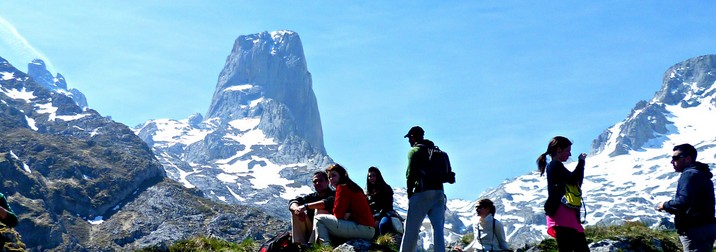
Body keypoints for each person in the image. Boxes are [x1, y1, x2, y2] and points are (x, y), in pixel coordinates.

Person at [657, 144, 716, 251]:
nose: (672, 162)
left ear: (687, 159)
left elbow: (683, 202)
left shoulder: (689, 175)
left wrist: (665, 205)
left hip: (694, 230)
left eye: (675, 158)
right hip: (706, 228)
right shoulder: (702, 174)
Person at [536, 136, 589, 252]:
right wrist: (581, 162)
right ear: (559, 150)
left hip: (564, 216)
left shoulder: (555, 166)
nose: (569, 155)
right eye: (568, 151)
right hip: (563, 215)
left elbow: (575, 181)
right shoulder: (555, 165)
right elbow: (575, 180)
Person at [400, 126, 447, 252]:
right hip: (439, 193)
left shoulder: (414, 151)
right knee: (438, 230)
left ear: (413, 137)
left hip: (421, 193)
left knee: (411, 229)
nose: (409, 141)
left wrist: (410, 194)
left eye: (409, 138)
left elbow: (410, 175)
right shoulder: (436, 151)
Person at [311, 164, 376, 244]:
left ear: (341, 175)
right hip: (368, 229)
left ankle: (325, 247)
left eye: (334, 175)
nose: (331, 179)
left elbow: (338, 214)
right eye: (329, 177)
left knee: (319, 218)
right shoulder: (352, 186)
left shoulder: (342, 187)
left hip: (362, 228)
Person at [288, 171, 335, 245]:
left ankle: (313, 244)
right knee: (296, 212)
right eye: (315, 181)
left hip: (330, 230)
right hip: (312, 229)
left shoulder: (334, 195)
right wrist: (297, 209)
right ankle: (300, 244)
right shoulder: (312, 197)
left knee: (320, 211)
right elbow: (293, 202)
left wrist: (305, 206)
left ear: (327, 182)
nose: (317, 183)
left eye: (320, 180)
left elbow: (325, 203)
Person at [366, 166, 399, 236]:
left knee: (383, 225)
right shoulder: (368, 193)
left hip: (386, 214)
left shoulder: (386, 189)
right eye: (369, 176)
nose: (371, 178)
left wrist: (378, 218)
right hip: (373, 215)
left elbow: (387, 206)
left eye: (373, 176)